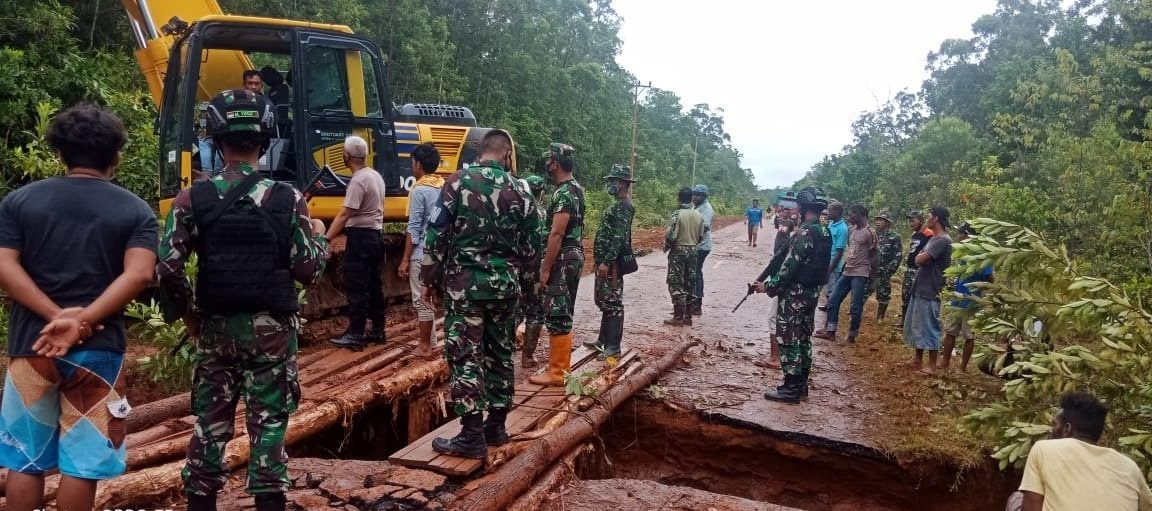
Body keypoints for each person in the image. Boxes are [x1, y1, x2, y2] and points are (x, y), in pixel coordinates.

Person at [157, 89, 329, 511]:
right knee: (270, 427)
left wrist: (189, 317)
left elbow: (166, 269)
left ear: (216, 141)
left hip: (215, 329)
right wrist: (319, 239)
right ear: (265, 140)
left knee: (210, 427)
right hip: (272, 333)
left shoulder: (191, 198)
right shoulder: (289, 199)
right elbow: (308, 271)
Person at [0, 105, 158, 511]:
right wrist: (81, 320)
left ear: (61, 154)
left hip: (31, 346)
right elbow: (139, 275)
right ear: (116, 155)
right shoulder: (136, 210)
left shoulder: (19, 202)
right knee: (82, 466)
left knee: (25, 461)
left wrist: (55, 317)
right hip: (98, 352)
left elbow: (4, 264)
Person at [420, 129, 541, 458]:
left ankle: (471, 435)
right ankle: (497, 427)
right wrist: (528, 289)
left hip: (466, 289)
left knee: (465, 355)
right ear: (505, 154)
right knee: (501, 353)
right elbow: (533, 248)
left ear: (480, 151)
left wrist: (429, 279)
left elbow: (436, 235)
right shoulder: (523, 190)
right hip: (505, 289)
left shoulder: (458, 182)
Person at [1005, 392, 1152, 511]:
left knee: (1016, 499)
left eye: (1054, 424)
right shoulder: (1129, 467)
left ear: (1067, 429)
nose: (1050, 431)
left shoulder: (1043, 449)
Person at [753, 187, 831, 403]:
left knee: (789, 338)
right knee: (804, 338)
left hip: (795, 293)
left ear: (803, 209)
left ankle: (790, 387)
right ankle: (801, 385)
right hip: (812, 292)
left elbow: (789, 267)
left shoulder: (804, 233)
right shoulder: (824, 232)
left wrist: (768, 287)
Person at [528, 143, 585, 386]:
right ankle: (559, 368)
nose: (547, 164)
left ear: (557, 163)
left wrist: (545, 267)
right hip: (572, 255)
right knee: (563, 310)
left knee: (557, 311)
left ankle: (558, 372)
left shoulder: (563, 194)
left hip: (562, 256)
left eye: (550, 160)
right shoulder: (576, 189)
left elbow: (556, 234)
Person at [328, 135, 388, 350]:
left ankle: (356, 334)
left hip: (361, 238)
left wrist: (326, 237)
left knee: (356, 285)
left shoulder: (358, 180)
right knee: (374, 285)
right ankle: (378, 331)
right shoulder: (375, 176)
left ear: (347, 155)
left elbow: (345, 214)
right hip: (375, 236)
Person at [398, 143, 443, 356]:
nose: (411, 168)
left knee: (421, 298)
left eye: (412, 163)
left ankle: (425, 346)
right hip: (441, 252)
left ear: (418, 165)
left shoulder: (420, 190)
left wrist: (405, 259)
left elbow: (414, 228)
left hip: (421, 254)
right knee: (434, 297)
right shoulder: (443, 186)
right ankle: (433, 341)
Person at [587, 164, 636, 360]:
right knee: (604, 301)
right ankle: (602, 340)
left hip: (612, 265)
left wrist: (607, 261)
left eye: (614, 181)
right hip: (606, 261)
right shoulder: (618, 204)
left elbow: (619, 238)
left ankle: (613, 347)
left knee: (613, 303)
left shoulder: (624, 206)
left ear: (623, 183)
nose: (611, 184)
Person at [815, 204, 876, 343]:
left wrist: (873, 278)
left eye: (852, 214)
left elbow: (874, 256)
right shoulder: (852, 229)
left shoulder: (869, 233)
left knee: (855, 305)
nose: (849, 217)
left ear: (862, 215)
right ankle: (830, 331)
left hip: (861, 273)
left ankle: (852, 335)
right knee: (833, 300)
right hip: (848, 270)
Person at [903, 206, 952, 375]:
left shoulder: (942, 240)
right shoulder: (934, 238)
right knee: (917, 324)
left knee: (930, 326)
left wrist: (920, 256)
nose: (927, 218)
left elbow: (920, 259)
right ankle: (917, 359)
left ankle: (931, 365)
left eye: (930, 216)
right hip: (921, 286)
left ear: (936, 218)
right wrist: (920, 256)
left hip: (931, 288)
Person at [939, 222, 993, 372]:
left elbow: (990, 278)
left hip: (972, 301)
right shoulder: (962, 252)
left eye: (961, 233)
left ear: (968, 236)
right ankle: (945, 363)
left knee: (968, 335)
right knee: (950, 332)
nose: (958, 236)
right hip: (957, 298)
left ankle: (962, 368)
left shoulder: (982, 255)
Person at [757, 199, 797, 370]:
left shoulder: (793, 240)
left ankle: (775, 358)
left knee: (774, 318)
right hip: (800, 290)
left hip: (789, 288)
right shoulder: (800, 237)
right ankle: (786, 357)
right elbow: (774, 265)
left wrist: (767, 287)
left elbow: (783, 272)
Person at [519, 174, 549, 368]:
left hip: (516, 266)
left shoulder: (516, 209)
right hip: (535, 267)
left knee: (513, 310)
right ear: (541, 192)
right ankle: (527, 356)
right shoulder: (542, 213)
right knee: (535, 312)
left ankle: (501, 352)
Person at [664, 187, 705, 326]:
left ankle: (678, 316)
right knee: (690, 281)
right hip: (693, 250)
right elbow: (701, 236)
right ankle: (688, 316)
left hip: (679, 251)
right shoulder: (698, 215)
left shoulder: (677, 214)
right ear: (691, 198)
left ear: (679, 198)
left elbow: (671, 236)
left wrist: (667, 246)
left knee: (675, 282)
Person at [900, 211, 934, 324]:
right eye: (909, 221)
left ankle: (913, 321)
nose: (911, 223)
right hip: (909, 269)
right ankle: (904, 321)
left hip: (919, 270)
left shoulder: (929, 234)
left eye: (913, 220)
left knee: (915, 295)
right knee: (905, 295)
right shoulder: (914, 235)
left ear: (921, 221)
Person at [869, 212, 903, 322]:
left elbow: (898, 255)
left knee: (883, 294)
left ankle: (880, 317)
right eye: (877, 219)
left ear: (887, 222)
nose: (878, 222)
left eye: (881, 220)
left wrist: (889, 270)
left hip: (884, 271)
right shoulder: (872, 234)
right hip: (870, 269)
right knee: (863, 291)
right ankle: (855, 312)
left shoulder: (894, 237)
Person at [690, 184, 714, 316]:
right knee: (693, 273)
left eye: (698, 195)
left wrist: (690, 236)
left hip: (701, 246)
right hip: (697, 245)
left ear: (704, 196)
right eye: (694, 194)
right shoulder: (698, 207)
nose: (694, 197)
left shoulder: (706, 209)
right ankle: (693, 303)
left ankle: (697, 304)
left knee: (696, 273)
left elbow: (703, 227)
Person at [818, 201, 847, 311]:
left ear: (837, 212)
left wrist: (830, 269)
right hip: (825, 260)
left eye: (830, 211)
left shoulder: (842, 229)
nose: (827, 213)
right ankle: (827, 306)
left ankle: (830, 312)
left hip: (833, 264)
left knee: (831, 289)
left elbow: (840, 251)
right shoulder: (831, 224)